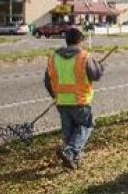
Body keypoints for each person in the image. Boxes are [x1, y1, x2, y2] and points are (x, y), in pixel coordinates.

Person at [44, 27, 104, 170]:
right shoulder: (84, 56)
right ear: (80, 40)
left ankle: (74, 161)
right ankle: (70, 153)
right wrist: (100, 67)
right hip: (80, 101)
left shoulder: (54, 57)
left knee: (69, 133)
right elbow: (96, 75)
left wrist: (55, 95)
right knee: (86, 126)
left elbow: (47, 80)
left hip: (62, 102)